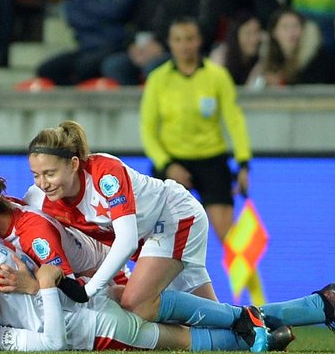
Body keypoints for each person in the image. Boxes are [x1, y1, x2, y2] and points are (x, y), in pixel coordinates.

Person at [0, 202, 280, 352]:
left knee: (183, 338)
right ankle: (283, 318)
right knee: (184, 314)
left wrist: (41, 287)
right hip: (91, 296)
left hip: (91, 318)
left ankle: (265, 334)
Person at [28, 120, 218, 324]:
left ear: (74, 164)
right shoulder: (39, 199)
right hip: (150, 237)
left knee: (136, 302)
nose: (43, 184)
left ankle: (218, 328)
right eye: (36, 175)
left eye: (50, 173)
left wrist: (87, 291)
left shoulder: (105, 172)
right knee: (210, 310)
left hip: (174, 217)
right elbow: (18, 219)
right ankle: (249, 325)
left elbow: (127, 241)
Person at [140, 18, 253, 243]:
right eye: (178, 40)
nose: (184, 45)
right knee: (163, 240)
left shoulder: (217, 76)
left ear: (199, 41)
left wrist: (243, 163)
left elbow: (235, 120)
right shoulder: (158, 79)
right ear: (170, 43)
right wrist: (167, 165)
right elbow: (147, 129)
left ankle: (251, 281)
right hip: (172, 163)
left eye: (189, 39)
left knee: (233, 238)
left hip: (212, 161)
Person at [248, 8, 335, 86]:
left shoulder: (318, 59)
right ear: (274, 32)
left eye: (296, 26)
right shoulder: (265, 58)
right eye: (285, 27)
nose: (291, 32)